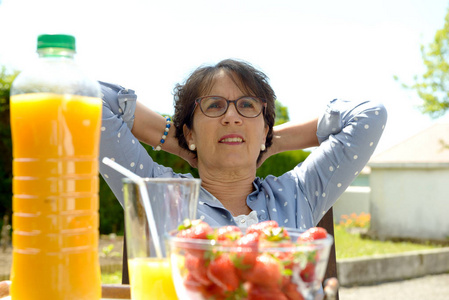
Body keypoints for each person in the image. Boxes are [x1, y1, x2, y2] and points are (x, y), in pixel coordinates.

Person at [99, 58, 387, 231]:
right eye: (214, 106)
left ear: (264, 130)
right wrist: (175, 141)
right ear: (189, 132)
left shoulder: (301, 191)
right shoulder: (158, 194)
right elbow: (86, 96)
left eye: (247, 105)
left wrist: (271, 141)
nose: (232, 117)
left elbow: (369, 114)